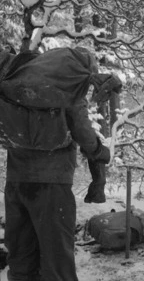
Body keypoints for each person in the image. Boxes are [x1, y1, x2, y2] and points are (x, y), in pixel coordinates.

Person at [4, 99, 110, 281]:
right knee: (58, 262)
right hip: (53, 183)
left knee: (21, 260)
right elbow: (81, 128)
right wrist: (99, 151)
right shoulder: (67, 78)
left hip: (16, 181)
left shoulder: (14, 75)